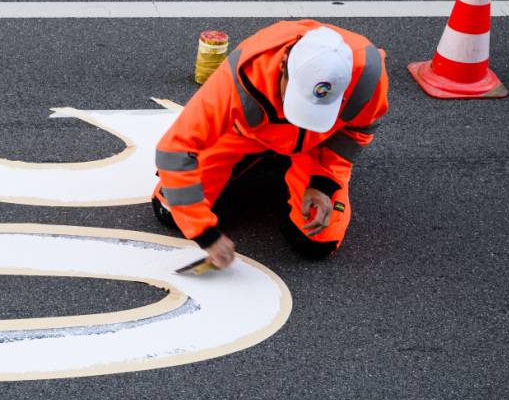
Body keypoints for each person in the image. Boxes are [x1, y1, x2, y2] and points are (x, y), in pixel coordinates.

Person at [152, 20, 389, 267]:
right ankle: (265, 160)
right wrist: (205, 233)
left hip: (315, 150)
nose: (298, 118)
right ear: (284, 61)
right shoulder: (242, 74)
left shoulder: (367, 78)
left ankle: (287, 170)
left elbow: (356, 132)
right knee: (170, 211)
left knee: (317, 242)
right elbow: (174, 151)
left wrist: (322, 183)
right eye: (296, 98)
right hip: (246, 136)